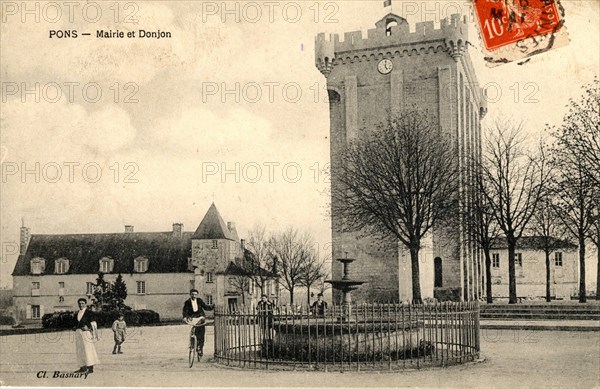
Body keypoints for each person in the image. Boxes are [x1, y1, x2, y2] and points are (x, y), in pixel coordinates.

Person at [182, 289, 213, 357]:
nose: (194, 296)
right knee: (193, 332)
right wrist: (185, 317)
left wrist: (213, 307)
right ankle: (192, 344)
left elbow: (205, 307)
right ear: (190, 295)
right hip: (192, 318)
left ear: (197, 295)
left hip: (200, 317)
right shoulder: (187, 302)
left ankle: (200, 348)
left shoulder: (199, 301)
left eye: (195, 294)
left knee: (201, 334)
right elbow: (185, 310)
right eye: (192, 294)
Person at [73, 298, 99, 373]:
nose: (81, 305)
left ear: (85, 304)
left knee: (88, 350)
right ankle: (82, 367)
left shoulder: (89, 313)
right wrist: (74, 327)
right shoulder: (77, 313)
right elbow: (74, 322)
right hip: (78, 333)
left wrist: (89, 327)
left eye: (82, 303)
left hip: (86, 333)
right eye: (80, 303)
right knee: (80, 350)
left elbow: (94, 322)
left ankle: (90, 368)